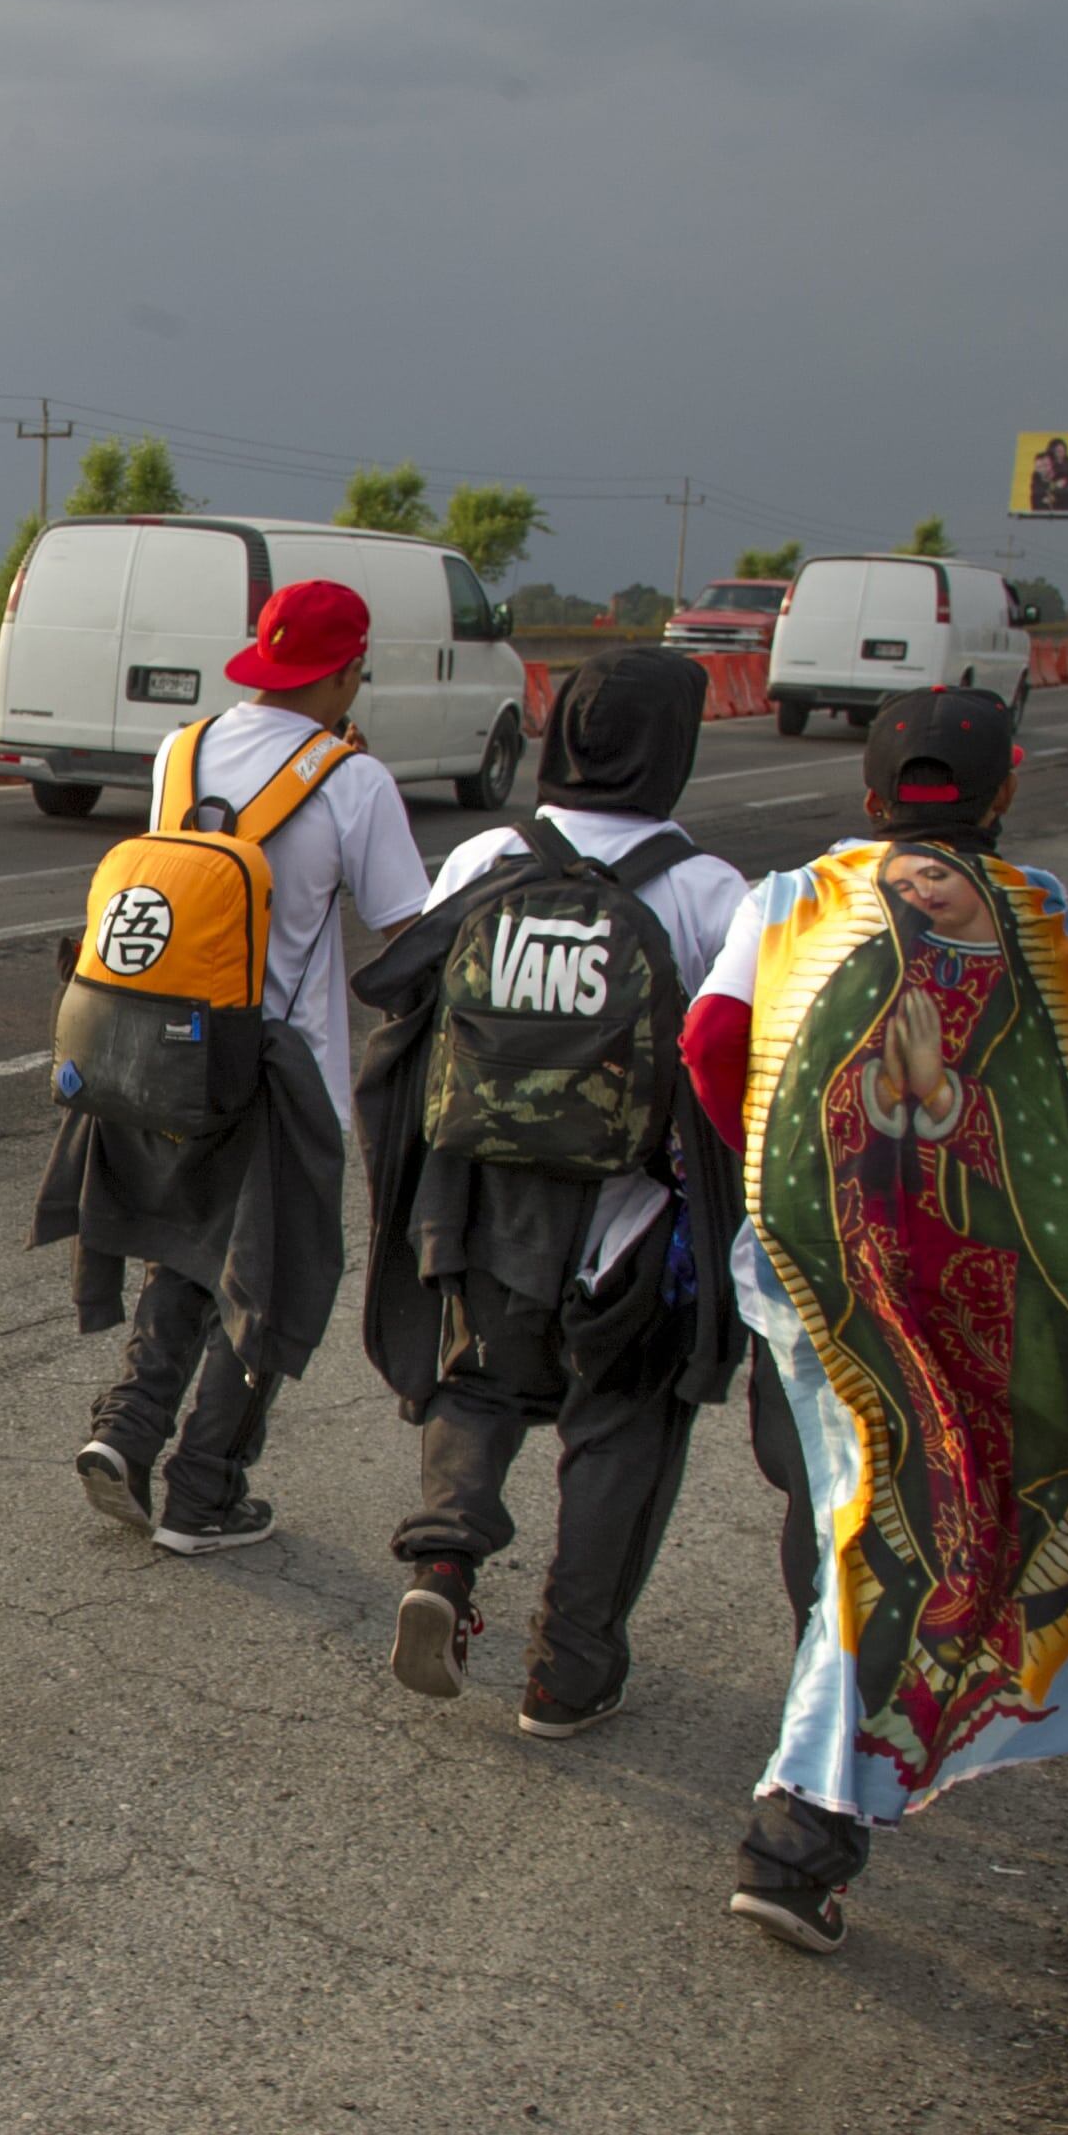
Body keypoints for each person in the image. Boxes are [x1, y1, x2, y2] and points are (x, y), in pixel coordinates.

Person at [679, 690, 1068, 1953]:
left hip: (816, 1263)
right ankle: (802, 1827)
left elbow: (714, 1044)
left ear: (871, 793)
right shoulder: (1055, 929)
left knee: (849, 1503)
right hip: (984, 1286)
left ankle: (823, 1759)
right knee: (925, 1526)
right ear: (1006, 792)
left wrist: (782, 1172)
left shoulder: (788, 900)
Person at [352, 649, 751, 1736]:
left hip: (478, 1205)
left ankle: (443, 1560)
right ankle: (566, 1676)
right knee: (623, 1424)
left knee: (477, 1381)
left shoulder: (487, 858)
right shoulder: (710, 892)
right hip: (628, 1221)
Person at [45, 578, 431, 1553]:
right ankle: (205, 1492)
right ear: (346, 671)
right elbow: (410, 937)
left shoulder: (182, 750)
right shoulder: (353, 782)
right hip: (282, 1074)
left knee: (187, 1250)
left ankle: (127, 1430)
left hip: (164, 1055)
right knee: (276, 1283)